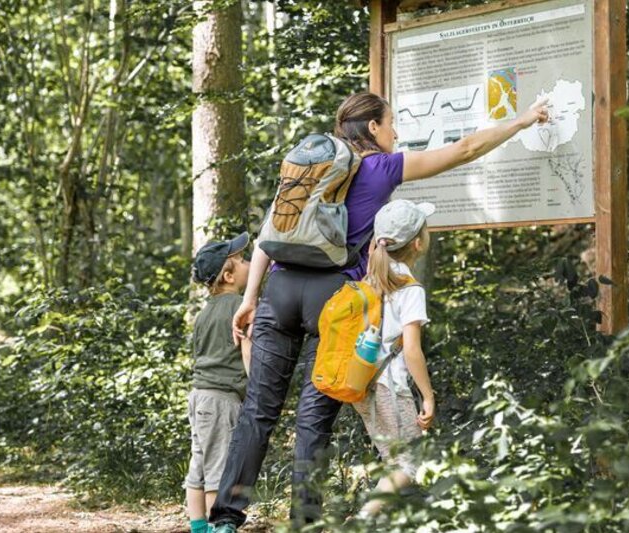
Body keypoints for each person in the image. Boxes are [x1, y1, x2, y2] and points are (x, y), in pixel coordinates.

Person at [209, 92, 549, 532]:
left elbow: (268, 232)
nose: (396, 133)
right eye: (391, 124)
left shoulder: (310, 168)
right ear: (373, 128)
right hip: (335, 298)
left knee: (258, 408)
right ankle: (305, 523)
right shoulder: (381, 167)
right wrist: (521, 121)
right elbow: (464, 150)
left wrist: (250, 297)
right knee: (315, 417)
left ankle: (224, 520)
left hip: (280, 287)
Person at [352, 199, 435, 517]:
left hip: (362, 381)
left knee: (393, 461)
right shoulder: (409, 288)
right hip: (391, 385)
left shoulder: (369, 280)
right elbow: (412, 350)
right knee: (408, 464)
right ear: (417, 242)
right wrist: (428, 396)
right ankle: (361, 520)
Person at [186, 233, 253, 533]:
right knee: (219, 469)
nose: (248, 264)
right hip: (222, 399)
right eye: (241, 261)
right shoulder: (240, 307)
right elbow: (247, 351)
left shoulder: (203, 314)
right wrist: (257, 390)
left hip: (199, 396)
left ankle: (199, 526)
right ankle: (219, 527)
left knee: (199, 465)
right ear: (228, 276)